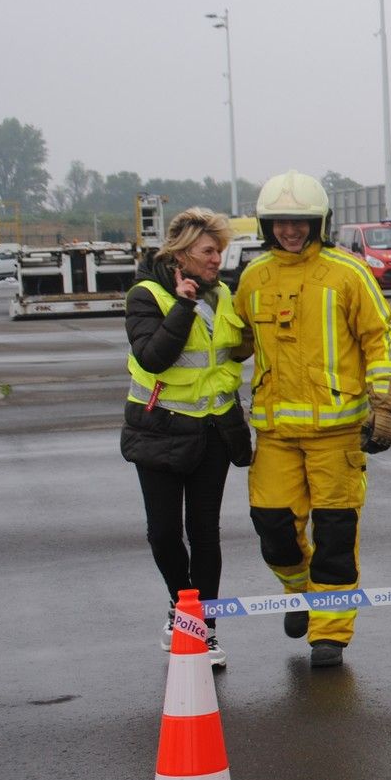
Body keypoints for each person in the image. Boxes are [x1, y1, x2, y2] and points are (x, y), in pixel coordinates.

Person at [233, 170, 391, 668]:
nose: (291, 231)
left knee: (334, 535)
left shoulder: (348, 274)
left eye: (300, 222)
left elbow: (380, 342)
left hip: (337, 436)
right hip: (276, 435)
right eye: (281, 223)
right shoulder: (252, 280)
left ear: (319, 223)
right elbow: (235, 340)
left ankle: (329, 630)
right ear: (268, 226)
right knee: (273, 528)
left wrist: (384, 408)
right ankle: (299, 593)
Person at [122, 207, 252, 669]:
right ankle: (181, 606)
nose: (218, 259)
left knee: (205, 532)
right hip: (159, 433)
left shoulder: (224, 296)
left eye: (221, 251)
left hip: (212, 431)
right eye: (209, 251)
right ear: (182, 253)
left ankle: (205, 630)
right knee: (163, 534)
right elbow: (153, 358)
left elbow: (237, 348)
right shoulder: (146, 295)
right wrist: (183, 304)